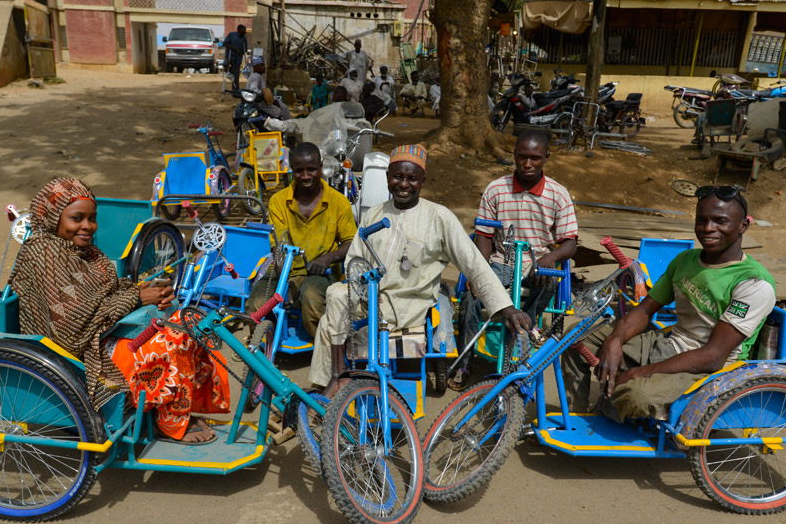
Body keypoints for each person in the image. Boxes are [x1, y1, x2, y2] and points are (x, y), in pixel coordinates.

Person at [9, 177, 230, 444]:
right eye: (77, 218)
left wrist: (145, 293)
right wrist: (137, 298)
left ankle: (174, 408)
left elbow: (105, 291)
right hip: (77, 353)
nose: (87, 226)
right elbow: (70, 325)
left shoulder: (85, 252)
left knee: (189, 329)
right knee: (171, 344)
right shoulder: (43, 255)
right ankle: (171, 422)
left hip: (99, 336)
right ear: (53, 217)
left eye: (92, 218)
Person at [308, 144, 532, 398]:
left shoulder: (439, 217)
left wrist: (505, 307)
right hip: (367, 300)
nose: (403, 184)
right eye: (397, 177)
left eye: (411, 178)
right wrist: (362, 289)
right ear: (387, 178)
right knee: (335, 298)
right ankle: (330, 383)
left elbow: (474, 264)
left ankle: (332, 382)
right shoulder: (374, 214)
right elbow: (354, 262)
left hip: (407, 305)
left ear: (422, 181)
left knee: (335, 303)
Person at [564, 186, 776, 423]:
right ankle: (575, 415)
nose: (708, 228)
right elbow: (645, 310)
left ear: (743, 226)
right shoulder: (686, 260)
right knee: (577, 336)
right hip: (669, 344)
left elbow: (713, 356)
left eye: (720, 221)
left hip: (706, 371)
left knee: (635, 394)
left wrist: (637, 373)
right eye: (701, 220)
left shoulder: (754, 283)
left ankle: (620, 411)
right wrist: (615, 340)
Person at [453, 129, 578, 390]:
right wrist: (479, 272)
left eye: (535, 158)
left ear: (546, 158)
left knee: (550, 283)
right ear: (514, 155)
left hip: (537, 263)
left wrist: (551, 257)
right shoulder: (496, 189)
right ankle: (465, 362)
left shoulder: (558, 194)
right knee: (470, 297)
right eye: (522, 157)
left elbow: (569, 242)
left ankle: (525, 328)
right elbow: (485, 236)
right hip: (502, 262)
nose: (528, 164)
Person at [245, 143, 357, 337]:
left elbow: (351, 243)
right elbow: (278, 245)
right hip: (284, 269)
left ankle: (323, 349)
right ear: (291, 170)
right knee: (256, 304)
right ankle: (264, 348)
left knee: (312, 298)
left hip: (321, 271)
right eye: (299, 171)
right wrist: (284, 282)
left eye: (311, 169)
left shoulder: (339, 202)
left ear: (321, 167)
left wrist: (328, 258)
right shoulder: (278, 201)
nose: (305, 176)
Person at [223, 24, 248, 89]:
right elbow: (225, 43)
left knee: (236, 75)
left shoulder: (244, 38)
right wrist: (235, 49)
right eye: (243, 31)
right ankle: (229, 72)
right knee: (228, 69)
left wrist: (242, 51)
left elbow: (245, 49)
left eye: (244, 31)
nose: (244, 32)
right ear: (238, 30)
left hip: (237, 59)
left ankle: (235, 90)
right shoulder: (231, 35)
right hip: (229, 56)